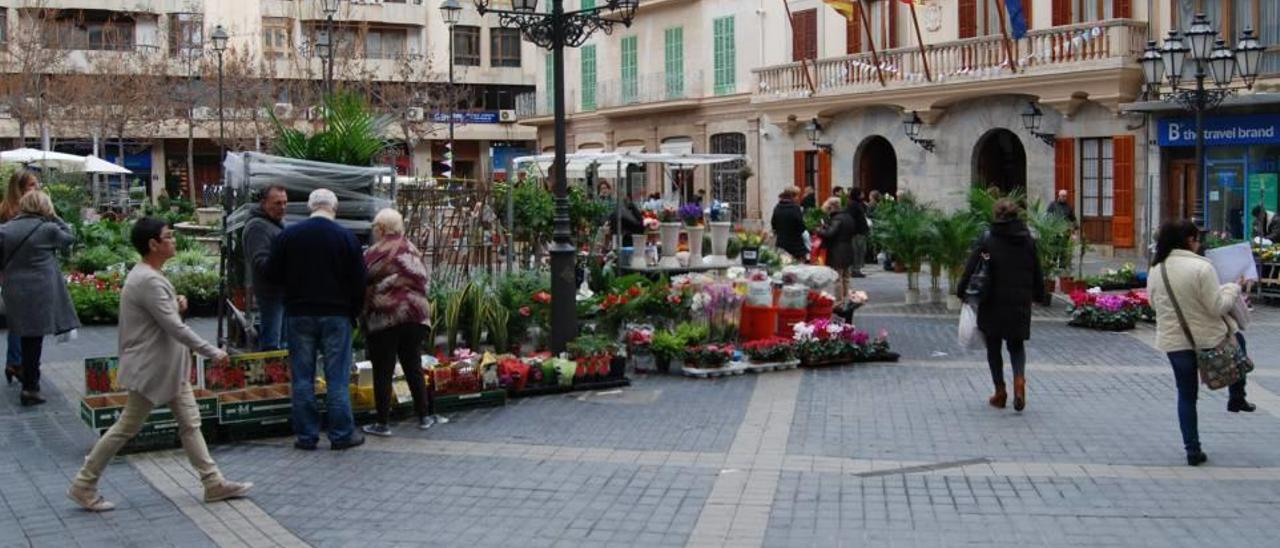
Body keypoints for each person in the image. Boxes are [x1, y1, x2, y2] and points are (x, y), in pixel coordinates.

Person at [68, 218, 252, 512]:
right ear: (153, 244)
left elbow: (162, 315)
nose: (173, 241)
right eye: (168, 237)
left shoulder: (149, 275)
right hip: (153, 369)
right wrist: (211, 351)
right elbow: (173, 327)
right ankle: (83, 483)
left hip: (166, 367)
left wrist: (175, 304)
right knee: (127, 427)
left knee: (189, 424)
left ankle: (213, 482)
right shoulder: (149, 279)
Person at [265, 189, 367, 451]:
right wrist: (352, 311)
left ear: (311, 207)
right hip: (337, 315)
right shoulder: (346, 237)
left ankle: (307, 436)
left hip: (299, 313)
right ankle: (342, 434)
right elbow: (359, 282)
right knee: (337, 377)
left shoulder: (289, 236)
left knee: (302, 377)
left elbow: (272, 274)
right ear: (334, 208)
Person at [1146, 219, 1253, 467]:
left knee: (1186, 395)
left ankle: (1192, 449)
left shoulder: (1156, 269)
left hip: (1174, 342)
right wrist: (1232, 289)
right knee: (1239, 343)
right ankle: (1237, 395)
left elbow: (1153, 304)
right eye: (1197, 239)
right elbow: (1217, 306)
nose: (1199, 243)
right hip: (1209, 338)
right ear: (1188, 241)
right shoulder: (1201, 268)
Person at [957, 199, 1043, 413]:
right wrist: (1040, 294)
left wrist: (962, 291)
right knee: (1016, 345)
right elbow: (1037, 270)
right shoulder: (1028, 240)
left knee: (994, 347)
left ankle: (1000, 391)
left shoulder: (988, 238)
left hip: (992, 300)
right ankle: (1020, 382)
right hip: (1019, 300)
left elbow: (971, 266)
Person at [0, 191, 79, 406]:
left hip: (14, 290)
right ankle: (30, 387)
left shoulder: (5, 229)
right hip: (41, 290)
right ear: (44, 206)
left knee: (25, 335)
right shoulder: (48, 229)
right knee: (34, 338)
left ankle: (26, 377)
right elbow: (70, 238)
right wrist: (54, 217)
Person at [360, 209, 433, 437]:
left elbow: (362, 278)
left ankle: (382, 422)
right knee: (413, 364)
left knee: (383, 369)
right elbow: (424, 279)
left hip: (386, 317)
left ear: (380, 229)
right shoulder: (412, 248)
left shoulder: (375, 252)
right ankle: (424, 416)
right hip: (415, 316)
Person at [1, 169, 40, 385]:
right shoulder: (21, 214)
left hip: (12, 274)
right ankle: (18, 363)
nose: (36, 189)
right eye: (32, 185)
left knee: (17, 321)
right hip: (26, 273)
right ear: (20, 188)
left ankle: (13, 362)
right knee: (26, 323)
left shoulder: (4, 211)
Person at [242, 185, 288, 350]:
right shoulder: (258, 227)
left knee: (283, 344)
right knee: (272, 345)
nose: (282, 207)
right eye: (277, 203)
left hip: (282, 293)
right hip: (271, 294)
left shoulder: (276, 224)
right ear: (263, 203)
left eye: (284, 203)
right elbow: (260, 262)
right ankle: (270, 375)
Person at [818, 197, 855, 297]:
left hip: (837, 250)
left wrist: (819, 230)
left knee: (837, 278)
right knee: (846, 277)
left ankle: (839, 301)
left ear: (832, 208)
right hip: (848, 248)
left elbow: (830, 233)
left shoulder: (837, 219)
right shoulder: (848, 216)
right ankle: (846, 298)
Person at [771, 187, 808, 262]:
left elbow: (773, 224)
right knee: (798, 268)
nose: (798, 198)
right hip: (796, 247)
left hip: (781, 244)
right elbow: (801, 227)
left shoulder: (777, 208)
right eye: (797, 196)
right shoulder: (795, 208)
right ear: (792, 197)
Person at [847, 189, 870, 278]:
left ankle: (857, 269)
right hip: (857, 232)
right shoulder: (853, 205)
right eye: (861, 193)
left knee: (861, 250)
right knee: (857, 250)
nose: (863, 194)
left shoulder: (858, 204)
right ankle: (855, 269)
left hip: (860, 231)